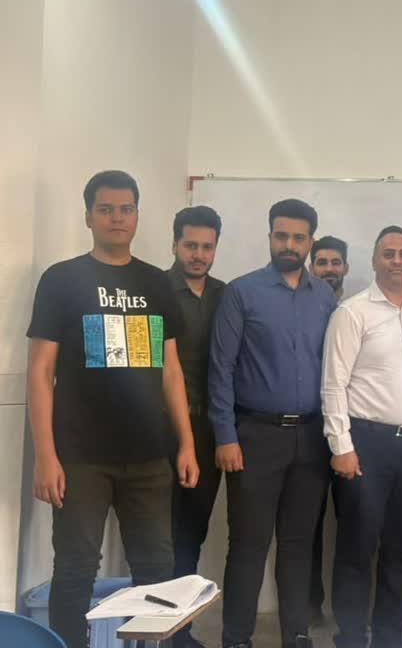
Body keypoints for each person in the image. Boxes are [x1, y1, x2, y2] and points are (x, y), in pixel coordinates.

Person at [26, 170, 199, 648]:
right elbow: (41, 371)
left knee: (156, 572)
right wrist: (45, 456)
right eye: (105, 209)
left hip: (149, 457)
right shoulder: (61, 280)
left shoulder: (156, 283)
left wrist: (186, 444)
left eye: (126, 209)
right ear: (89, 216)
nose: (116, 218)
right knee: (75, 569)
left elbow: (170, 371)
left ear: (137, 215)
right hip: (80, 457)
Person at [208, 198, 336, 648]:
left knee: (299, 545)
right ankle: (236, 638)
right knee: (249, 543)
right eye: (281, 235)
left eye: (298, 237)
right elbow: (221, 369)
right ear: (269, 237)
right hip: (255, 436)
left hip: (311, 437)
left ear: (310, 241)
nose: (289, 244)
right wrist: (225, 436)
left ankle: (296, 634)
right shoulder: (242, 292)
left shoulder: (324, 297)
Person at [323, 226, 402, 647]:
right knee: (357, 546)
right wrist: (341, 446)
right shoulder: (352, 313)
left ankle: (389, 635)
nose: (396, 261)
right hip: (366, 445)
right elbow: (333, 384)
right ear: (373, 261)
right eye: (388, 254)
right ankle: (352, 636)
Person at [168, 205, 226, 648]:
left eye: (207, 246)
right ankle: (153, 631)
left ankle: (179, 632)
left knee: (192, 534)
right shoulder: (154, 289)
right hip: (163, 430)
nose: (199, 254)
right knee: (158, 538)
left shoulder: (226, 295)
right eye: (191, 245)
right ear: (175, 244)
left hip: (209, 432)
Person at [308, 233, 351, 620]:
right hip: (308, 430)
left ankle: (348, 610)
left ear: (346, 268)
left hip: (352, 433)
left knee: (352, 521)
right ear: (311, 267)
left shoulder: (355, 312)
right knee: (308, 521)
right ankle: (309, 606)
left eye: (335, 262)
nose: (329, 269)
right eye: (321, 262)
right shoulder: (302, 309)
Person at [311, 235, 350, 302]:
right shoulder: (300, 305)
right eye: (322, 263)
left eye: (336, 263)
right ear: (311, 269)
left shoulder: (357, 305)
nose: (329, 269)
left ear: (346, 269)